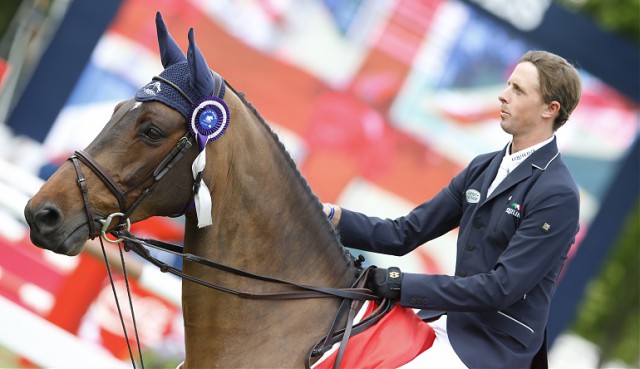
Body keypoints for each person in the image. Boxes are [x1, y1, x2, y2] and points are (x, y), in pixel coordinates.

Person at [322, 50, 582, 369]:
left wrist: (402, 284)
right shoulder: (482, 167)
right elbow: (403, 234)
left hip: (492, 345)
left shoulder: (558, 194)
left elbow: (500, 288)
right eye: (508, 85)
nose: (502, 96)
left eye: (518, 90)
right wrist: (330, 216)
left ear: (550, 109)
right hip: (446, 319)